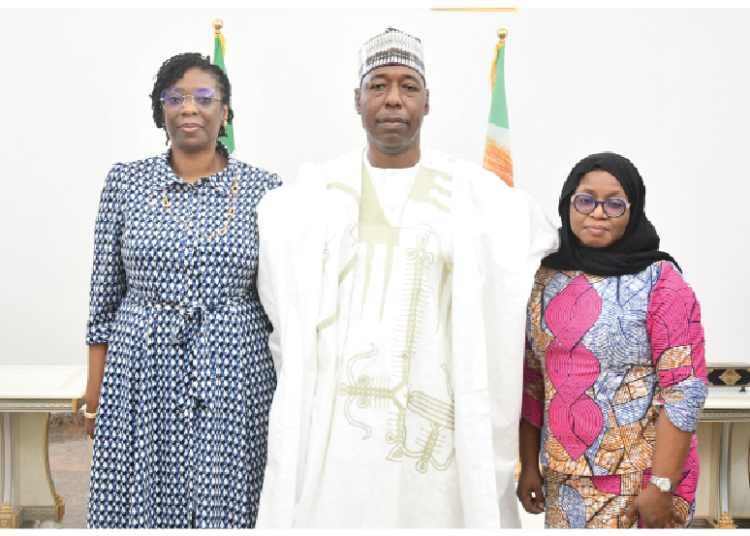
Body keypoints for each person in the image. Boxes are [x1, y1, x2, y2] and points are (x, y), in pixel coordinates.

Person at [254, 27, 559, 528]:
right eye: (378, 86)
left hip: (434, 411)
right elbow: (273, 256)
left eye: (408, 86)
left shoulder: (472, 193)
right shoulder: (312, 195)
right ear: (357, 100)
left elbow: (540, 235)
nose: (393, 99)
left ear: (427, 101)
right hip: (340, 422)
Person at [84, 52, 280, 528]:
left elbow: (281, 305)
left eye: (204, 97)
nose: (189, 108)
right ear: (161, 111)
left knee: (230, 493)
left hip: (236, 372)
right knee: (141, 497)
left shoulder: (266, 190)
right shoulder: (125, 183)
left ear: (225, 111)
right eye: (175, 98)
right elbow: (103, 301)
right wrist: (94, 401)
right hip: (141, 369)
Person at [517, 152, 708, 529]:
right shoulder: (542, 278)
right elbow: (534, 381)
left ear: (632, 211)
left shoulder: (662, 282)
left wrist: (663, 485)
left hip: (644, 481)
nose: (598, 212)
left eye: (614, 203)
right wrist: (528, 466)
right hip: (563, 477)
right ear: (567, 203)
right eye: (585, 199)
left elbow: (685, 391)